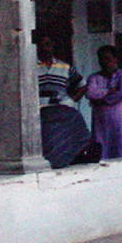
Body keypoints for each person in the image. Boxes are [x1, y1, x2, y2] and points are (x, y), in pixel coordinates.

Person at [36, 36, 95, 168]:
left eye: (48, 44)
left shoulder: (65, 67)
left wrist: (71, 100)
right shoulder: (30, 67)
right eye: (42, 45)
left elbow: (82, 85)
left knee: (76, 123)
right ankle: (52, 161)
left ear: (53, 46)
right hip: (39, 110)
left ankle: (72, 157)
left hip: (61, 108)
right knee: (48, 136)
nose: (45, 48)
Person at [85, 45, 122, 159]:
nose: (104, 62)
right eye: (101, 59)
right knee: (103, 153)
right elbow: (90, 93)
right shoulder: (94, 77)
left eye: (108, 59)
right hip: (101, 123)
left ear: (115, 59)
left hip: (121, 123)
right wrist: (109, 91)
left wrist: (102, 101)